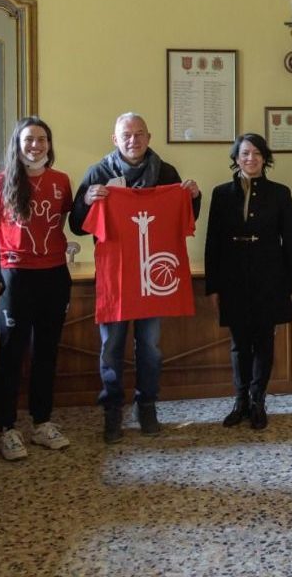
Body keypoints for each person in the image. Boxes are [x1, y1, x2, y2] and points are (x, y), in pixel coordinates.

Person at [70, 112, 201, 444]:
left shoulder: (166, 172)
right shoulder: (98, 173)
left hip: (151, 279)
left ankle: (147, 405)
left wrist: (193, 197)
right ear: (115, 139)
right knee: (111, 348)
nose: (134, 140)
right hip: (116, 276)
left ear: (149, 136)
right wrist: (87, 200)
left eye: (140, 134)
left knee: (151, 347)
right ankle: (112, 409)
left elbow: (183, 219)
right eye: (127, 135)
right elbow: (76, 223)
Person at [0, 116, 73, 461]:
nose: (35, 145)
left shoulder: (61, 181)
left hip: (54, 275)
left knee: (46, 352)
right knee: (11, 352)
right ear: (17, 145)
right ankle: (7, 427)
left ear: (50, 144)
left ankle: (42, 422)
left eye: (42, 139)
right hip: (14, 276)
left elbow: (65, 219)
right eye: (28, 140)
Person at [204, 133, 292, 430]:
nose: (251, 158)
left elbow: (291, 243)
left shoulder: (280, 193)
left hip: (269, 275)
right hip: (232, 276)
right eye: (245, 153)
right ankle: (240, 400)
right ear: (236, 157)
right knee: (239, 343)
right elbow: (212, 243)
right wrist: (213, 286)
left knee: (264, 341)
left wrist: (289, 284)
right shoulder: (221, 194)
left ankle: (258, 400)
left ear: (265, 158)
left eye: (257, 153)